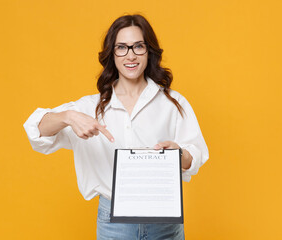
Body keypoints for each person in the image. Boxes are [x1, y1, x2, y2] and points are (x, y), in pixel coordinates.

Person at [23, 14, 209, 240]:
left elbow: (196, 153)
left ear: (148, 51)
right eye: (122, 47)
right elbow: (36, 130)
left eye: (138, 46)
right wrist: (68, 117)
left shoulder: (173, 102)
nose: (130, 55)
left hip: (164, 219)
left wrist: (179, 155)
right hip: (113, 224)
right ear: (112, 54)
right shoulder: (90, 107)